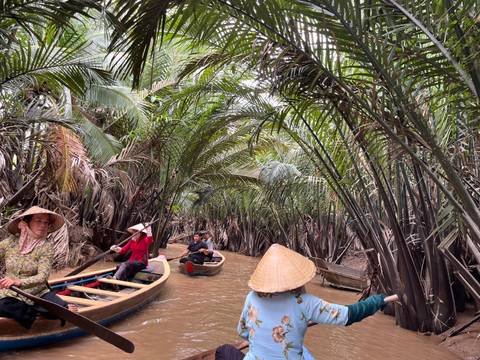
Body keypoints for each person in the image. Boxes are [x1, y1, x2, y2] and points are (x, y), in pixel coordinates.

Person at [215, 244, 387, 360]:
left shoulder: (251, 297)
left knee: (223, 351)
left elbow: (242, 332)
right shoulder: (304, 303)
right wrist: (375, 302)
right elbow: (348, 315)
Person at [0, 206, 77, 329]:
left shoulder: (46, 247)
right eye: (38, 221)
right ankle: (32, 313)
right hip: (12, 293)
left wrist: (17, 282)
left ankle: (53, 309)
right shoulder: (10, 242)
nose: (43, 225)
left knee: (62, 311)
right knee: (3, 306)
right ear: (26, 223)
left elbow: (42, 277)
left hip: (38, 294)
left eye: (46, 222)